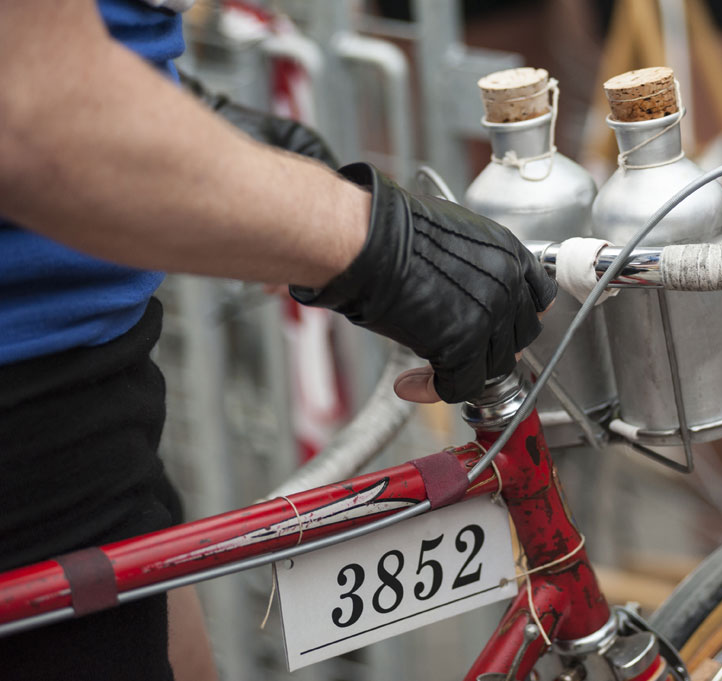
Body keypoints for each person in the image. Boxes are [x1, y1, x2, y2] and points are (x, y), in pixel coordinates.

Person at [0, 1, 556, 679]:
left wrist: (185, 114)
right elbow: (36, 117)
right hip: (30, 429)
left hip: (90, 392)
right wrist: (385, 246)